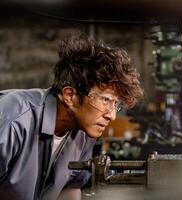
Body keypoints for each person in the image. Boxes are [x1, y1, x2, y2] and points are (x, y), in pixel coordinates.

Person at [0, 35, 143, 200]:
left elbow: (69, 190)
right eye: (105, 100)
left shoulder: (85, 131)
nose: (112, 115)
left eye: (116, 104)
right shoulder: (11, 120)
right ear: (69, 96)